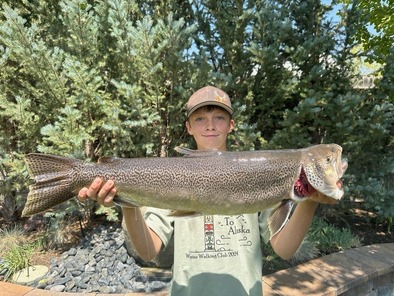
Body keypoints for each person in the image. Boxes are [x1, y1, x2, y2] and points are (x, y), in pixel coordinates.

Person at [78, 86, 332, 295]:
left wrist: (309, 201)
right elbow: (148, 251)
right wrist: (126, 201)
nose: (210, 125)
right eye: (200, 118)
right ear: (189, 127)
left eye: (219, 117)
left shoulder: (258, 174)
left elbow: (284, 250)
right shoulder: (173, 177)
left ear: (231, 125)